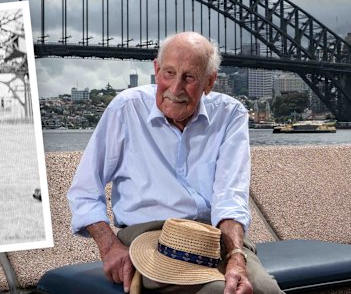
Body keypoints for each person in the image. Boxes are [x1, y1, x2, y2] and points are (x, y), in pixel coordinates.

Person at [67, 32, 284, 294]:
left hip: (211, 239)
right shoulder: (126, 109)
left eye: (189, 78)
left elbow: (230, 197)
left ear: (210, 82)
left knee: (264, 290)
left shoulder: (230, 114)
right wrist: (110, 247)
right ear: (156, 69)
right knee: (219, 291)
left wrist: (237, 255)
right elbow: (84, 192)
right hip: (148, 238)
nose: (176, 88)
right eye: (169, 73)